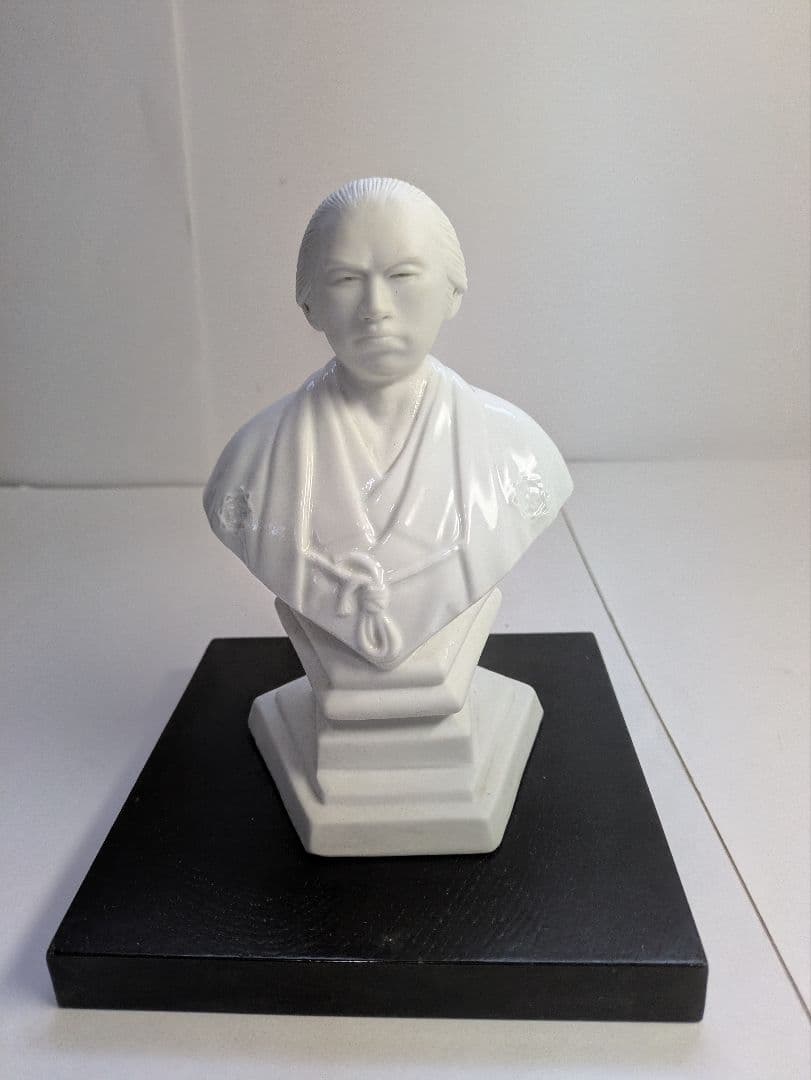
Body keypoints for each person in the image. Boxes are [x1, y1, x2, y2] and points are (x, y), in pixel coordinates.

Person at [204, 178, 572, 667]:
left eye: (402, 275)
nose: (375, 308)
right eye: (346, 280)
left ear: (453, 291)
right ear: (309, 304)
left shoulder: (517, 452)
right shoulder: (254, 463)